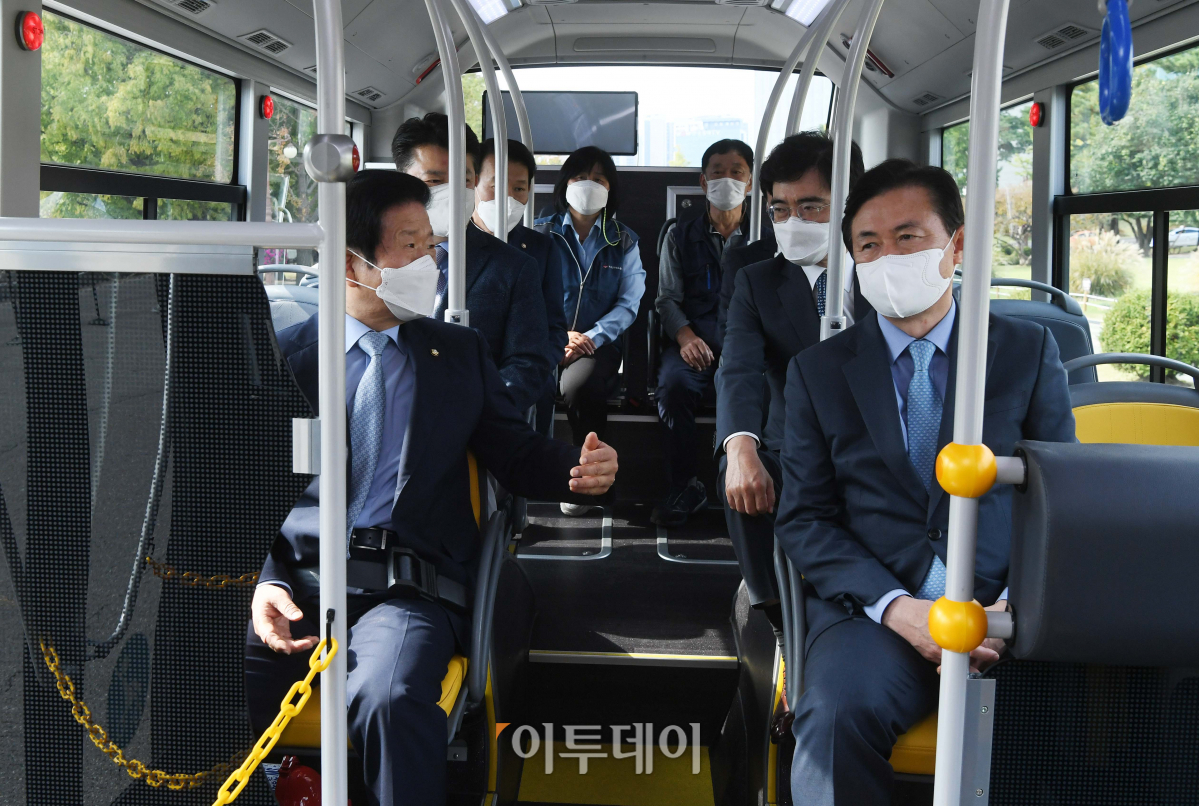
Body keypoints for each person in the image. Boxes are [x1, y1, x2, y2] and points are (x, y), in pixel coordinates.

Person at [245, 170, 618, 806]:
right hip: (297, 582)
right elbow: (244, 493)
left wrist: (579, 471)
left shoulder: (458, 355)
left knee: (390, 697)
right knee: (208, 686)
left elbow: (515, 452)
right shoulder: (283, 360)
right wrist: (263, 582)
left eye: (431, 245)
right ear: (351, 264)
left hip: (405, 586)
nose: (431, 262)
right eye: (411, 247)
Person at [775, 159, 1076, 804]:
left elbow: (1061, 499)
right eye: (868, 245)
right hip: (877, 612)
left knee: (1082, 720)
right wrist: (897, 607)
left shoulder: (1023, 353)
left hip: (1006, 608)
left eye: (908, 238)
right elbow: (804, 517)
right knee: (834, 718)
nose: (888, 258)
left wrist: (1011, 607)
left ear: (956, 245)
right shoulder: (818, 372)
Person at [716, 131, 868, 637]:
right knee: (740, 476)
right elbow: (738, 367)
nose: (793, 222)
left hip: (876, 438)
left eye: (811, 207)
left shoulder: (884, 273)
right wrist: (740, 446)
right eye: (780, 209)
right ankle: (778, 614)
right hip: (794, 443)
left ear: (849, 204)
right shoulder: (757, 280)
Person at [392, 113, 553, 413]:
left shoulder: (513, 268)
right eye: (434, 181)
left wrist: (475, 412)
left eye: (463, 180)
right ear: (402, 182)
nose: (451, 192)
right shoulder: (375, 260)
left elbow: (527, 364)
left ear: (475, 181)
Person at [536, 146, 646, 515]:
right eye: (581, 177)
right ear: (565, 183)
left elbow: (629, 304)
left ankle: (586, 478)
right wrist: (558, 336)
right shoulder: (540, 232)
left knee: (579, 387)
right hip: (544, 337)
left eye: (598, 179)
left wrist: (590, 338)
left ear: (610, 189)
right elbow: (526, 293)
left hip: (596, 345)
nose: (589, 185)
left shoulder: (624, 241)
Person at [651, 139, 755, 527]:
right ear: (703, 181)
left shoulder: (764, 239)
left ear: (750, 182)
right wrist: (685, 337)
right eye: (717, 172)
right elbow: (666, 300)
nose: (727, 179)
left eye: (736, 172)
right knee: (674, 387)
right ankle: (684, 486)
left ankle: (756, 480)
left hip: (747, 347)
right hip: (695, 343)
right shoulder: (678, 235)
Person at [473, 137, 568, 435]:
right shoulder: (451, 246)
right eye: (496, 186)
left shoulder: (542, 249)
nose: (508, 198)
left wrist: (535, 368)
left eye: (519, 189)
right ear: (472, 183)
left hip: (526, 375)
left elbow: (555, 327)